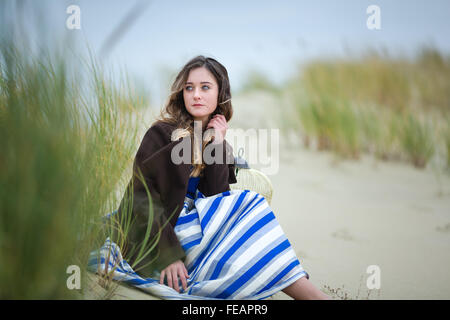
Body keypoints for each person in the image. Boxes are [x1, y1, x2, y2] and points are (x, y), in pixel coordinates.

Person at [116, 55, 330, 300]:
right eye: (189, 88)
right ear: (182, 93)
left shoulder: (220, 144)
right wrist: (169, 256)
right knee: (251, 207)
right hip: (162, 233)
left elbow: (218, 199)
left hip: (199, 229)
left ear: (220, 94)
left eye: (205, 87)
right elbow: (141, 198)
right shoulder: (162, 134)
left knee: (250, 212)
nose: (196, 95)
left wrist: (216, 142)